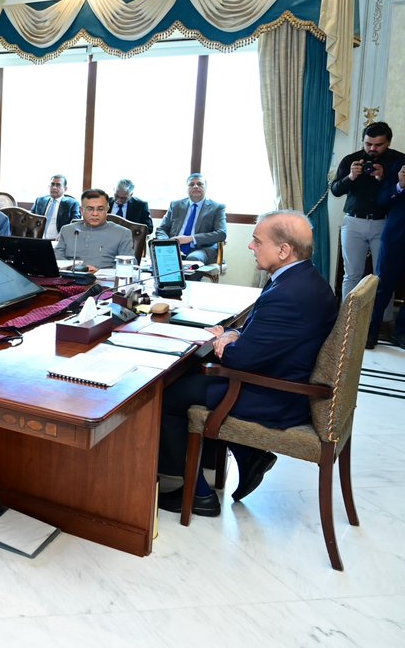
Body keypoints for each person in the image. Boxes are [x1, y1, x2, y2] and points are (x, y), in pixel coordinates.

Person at [158, 211, 337, 517]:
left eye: (257, 241)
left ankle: (197, 493)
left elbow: (240, 359)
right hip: (280, 378)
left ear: (284, 250)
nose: (251, 247)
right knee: (188, 375)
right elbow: (258, 333)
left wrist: (224, 342)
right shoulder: (301, 278)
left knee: (167, 393)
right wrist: (231, 333)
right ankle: (248, 453)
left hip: (274, 396)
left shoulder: (290, 294)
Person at [331, 122, 403, 301]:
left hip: (385, 223)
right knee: (351, 275)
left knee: (383, 275)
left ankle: (382, 321)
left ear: (388, 142)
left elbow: (399, 194)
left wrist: (383, 178)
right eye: (368, 144)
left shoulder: (399, 161)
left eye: (378, 145)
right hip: (353, 221)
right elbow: (335, 190)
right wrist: (351, 177)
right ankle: (347, 321)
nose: (372, 148)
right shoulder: (351, 160)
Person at [368, 154, 405, 350]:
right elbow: (382, 199)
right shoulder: (400, 165)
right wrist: (400, 184)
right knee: (382, 286)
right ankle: (370, 331)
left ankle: (401, 334)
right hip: (396, 238)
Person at [53, 189, 134, 271]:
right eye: (90, 209)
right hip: (69, 279)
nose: (95, 214)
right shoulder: (67, 230)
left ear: (107, 210)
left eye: (100, 209)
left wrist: (99, 272)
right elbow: (57, 259)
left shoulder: (122, 233)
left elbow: (129, 266)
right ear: (81, 210)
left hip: (105, 281)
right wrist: (74, 269)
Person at [156, 173, 227, 263]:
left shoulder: (217, 207)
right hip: (174, 248)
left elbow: (221, 233)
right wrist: (167, 244)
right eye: (191, 184)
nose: (195, 186)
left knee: (193, 259)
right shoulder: (176, 205)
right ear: (187, 188)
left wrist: (191, 238)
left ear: (206, 187)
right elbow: (161, 229)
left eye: (200, 184)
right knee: (161, 256)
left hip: (201, 249)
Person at [30, 174, 81, 240]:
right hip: (39, 239)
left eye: (58, 185)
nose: (54, 187)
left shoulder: (72, 204)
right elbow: (30, 219)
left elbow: (75, 224)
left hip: (59, 241)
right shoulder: (40, 200)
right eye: (52, 184)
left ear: (65, 189)